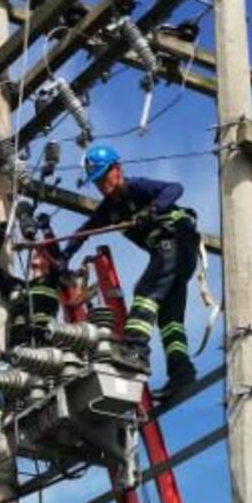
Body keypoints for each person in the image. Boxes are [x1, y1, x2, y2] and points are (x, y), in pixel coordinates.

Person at [59, 143, 200, 398]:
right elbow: (84, 231)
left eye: (104, 177)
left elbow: (174, 188)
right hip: (176, 256)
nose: (102, 185)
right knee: (170, 321)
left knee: (145, 291)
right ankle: (182, 374)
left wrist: (152, 209)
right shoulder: (109, 210)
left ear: (117, 169)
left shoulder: (136, 187)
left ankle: (135, 351)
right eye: (97, 181)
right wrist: (64, 256)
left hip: (176, 243)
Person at [0, 222, 66, 470]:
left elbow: (60, 260)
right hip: (17, 356)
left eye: (40, 258)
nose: (36, 262)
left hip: (43, 355)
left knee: (45, 398)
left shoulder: (52, 283)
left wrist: (47, 232)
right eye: (35, 258)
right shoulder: (17, 287)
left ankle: (53, 441)